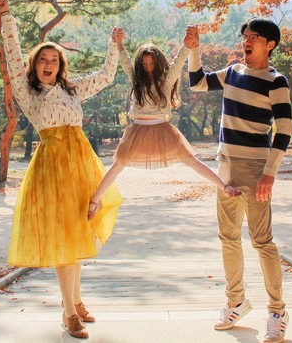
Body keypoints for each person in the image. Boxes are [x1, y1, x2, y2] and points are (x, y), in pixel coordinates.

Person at [0, 0, 123, 340]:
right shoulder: (28, 92)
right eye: (43, 60)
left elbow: (106, 76)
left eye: (54, 59)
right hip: (52, 168)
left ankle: (76, 301)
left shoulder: (72, 90)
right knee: (64, 237)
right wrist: (7, 15)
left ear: (60, 65)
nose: (48, 63)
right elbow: (12, 54)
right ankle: (68, 314)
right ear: (35, 65)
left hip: (80, 164)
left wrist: (114, 45)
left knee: (77, 232)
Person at [184, 19, 292, 343]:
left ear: (269, 44)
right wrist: (195, 49)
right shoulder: (232, 73)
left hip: (256, 168)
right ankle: (236, 302)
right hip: (226, 167)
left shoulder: (276, 81)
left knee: (262, 241)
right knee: (228, 237)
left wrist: (270, 173)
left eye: (254, 37)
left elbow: (285, 129)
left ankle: (277, 311)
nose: (247, 40)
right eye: (245, 36)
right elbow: (197, 83)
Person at [88, 34, 240, 220]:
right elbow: (126, 61)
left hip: (162, 129)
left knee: (191, 160)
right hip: (137, 129)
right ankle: (94, 202)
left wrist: (186, 45)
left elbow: (178, 62)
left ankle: (225, 186)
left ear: (158, 62)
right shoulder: (135, 78)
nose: (148, 67)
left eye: (151, 63)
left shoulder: (167, 78)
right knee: (118, 165)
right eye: (144, 64)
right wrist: (118, 42)